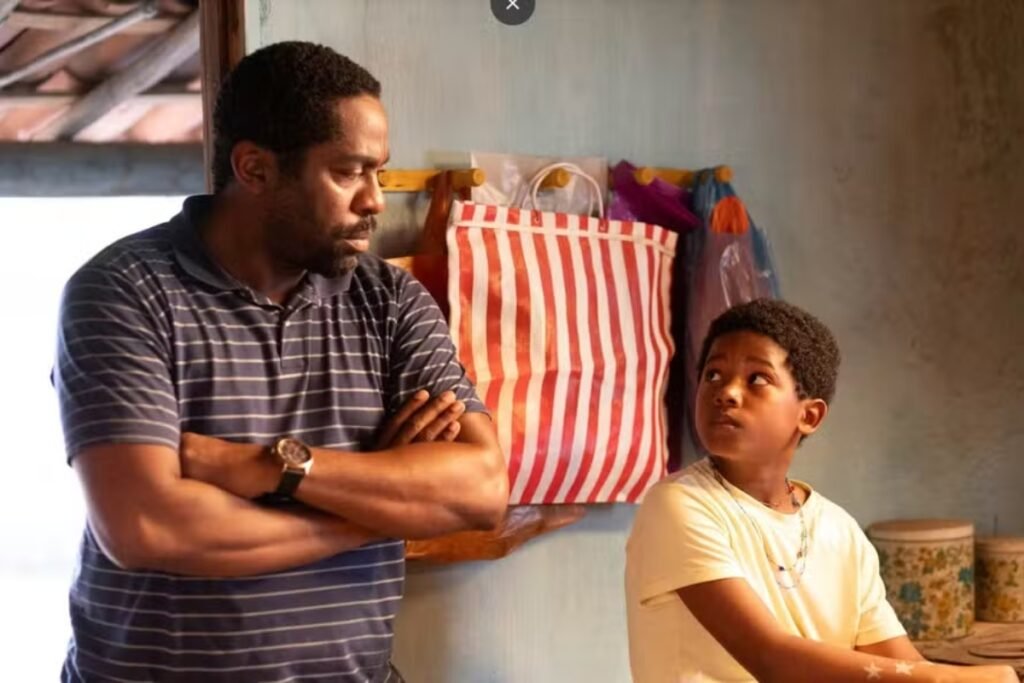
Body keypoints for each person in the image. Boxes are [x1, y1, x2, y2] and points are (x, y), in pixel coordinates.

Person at [53, 41, 508, 682]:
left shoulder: (390, 300)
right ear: (255, 169)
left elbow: (481, 490)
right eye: (348, 172)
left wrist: (272, 467)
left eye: (378, 172)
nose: (375, 200)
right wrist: (371, 512)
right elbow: (148, 527)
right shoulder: (125, 292)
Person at [624, 299, 1014, 683]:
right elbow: (770, 658)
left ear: (809, 415)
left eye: (756, 379)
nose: (726, 392)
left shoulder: (840, 530)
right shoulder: (678, 504)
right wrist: (946, 679)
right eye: (712, 375)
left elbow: (900, 662)